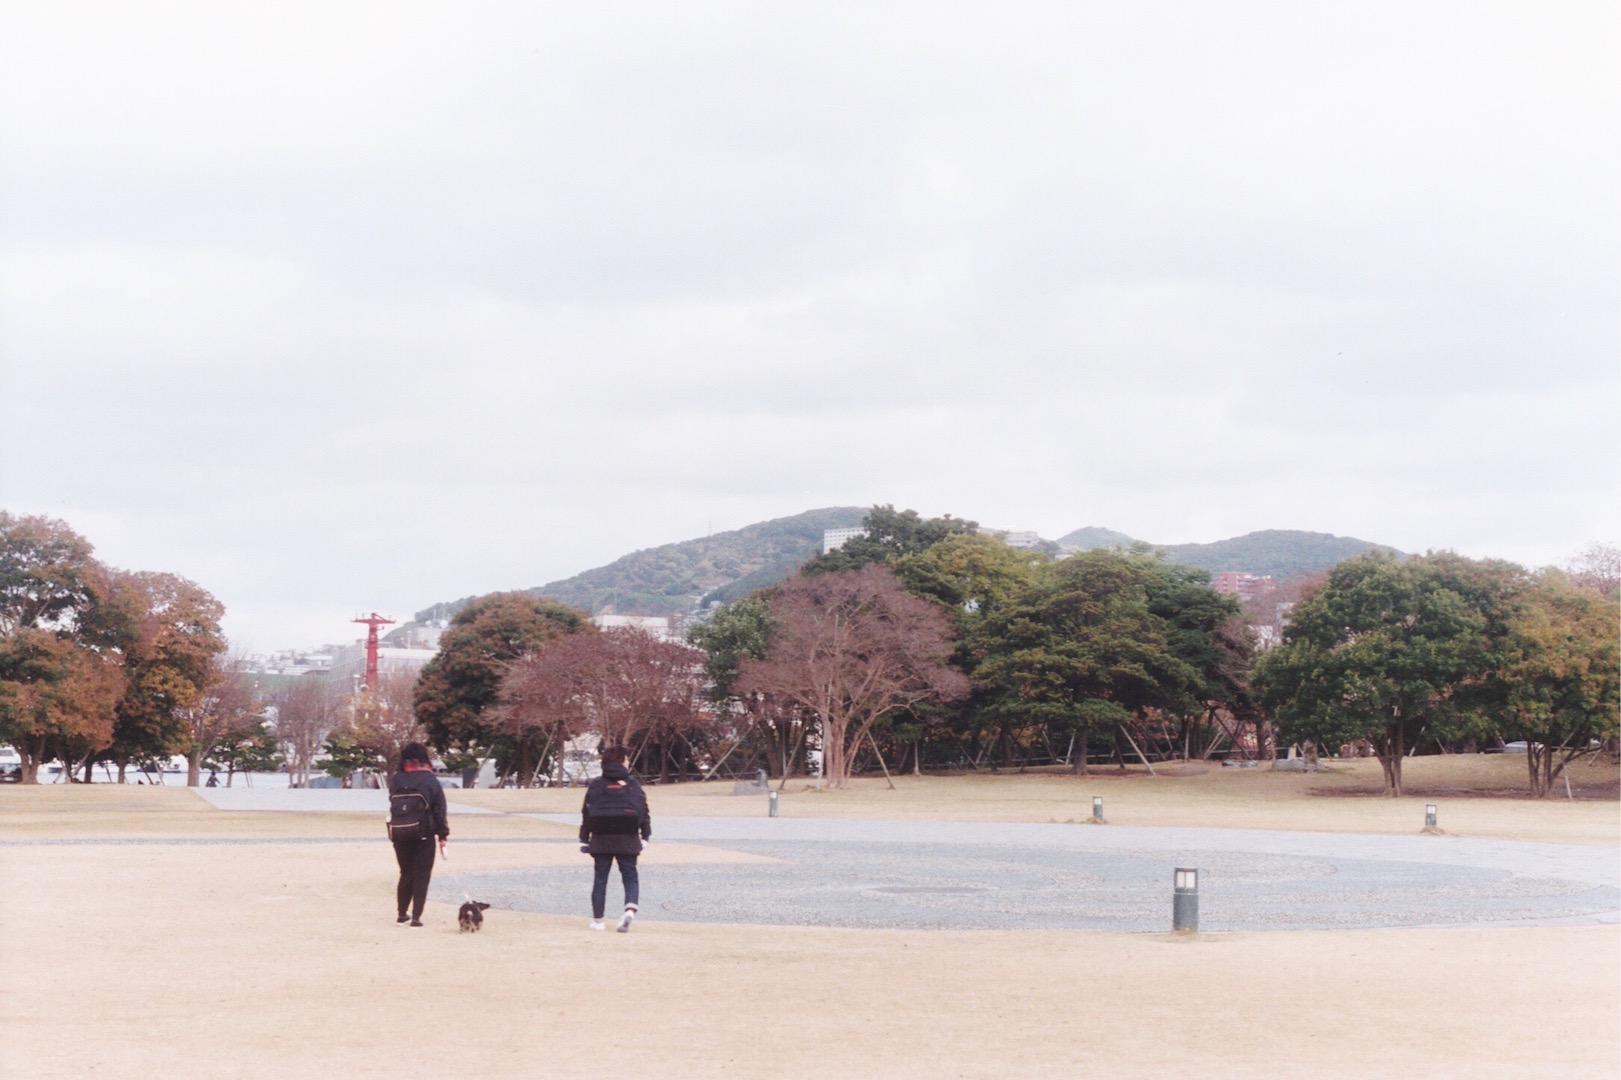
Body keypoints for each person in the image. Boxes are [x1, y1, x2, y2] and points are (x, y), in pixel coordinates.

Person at [579, 745, 651, 932]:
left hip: (601, 839)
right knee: (630, 877)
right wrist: (645, 836)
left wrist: (584, 839)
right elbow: (643, 811)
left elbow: (586, 813)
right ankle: (630, 909)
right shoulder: (633, 783)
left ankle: (598, 921)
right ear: (621, 761)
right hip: (628, 838)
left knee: (600, 879)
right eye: (626, 758)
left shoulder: (596, 784)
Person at [389, 742, 448, 927]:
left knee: (405, 872)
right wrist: (443, 836)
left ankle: (401, 914)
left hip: (399, 833)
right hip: (424, 833)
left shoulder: (396, 779)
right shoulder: (430, 780)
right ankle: (416, 917)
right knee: (422, 873)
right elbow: (440, 810)